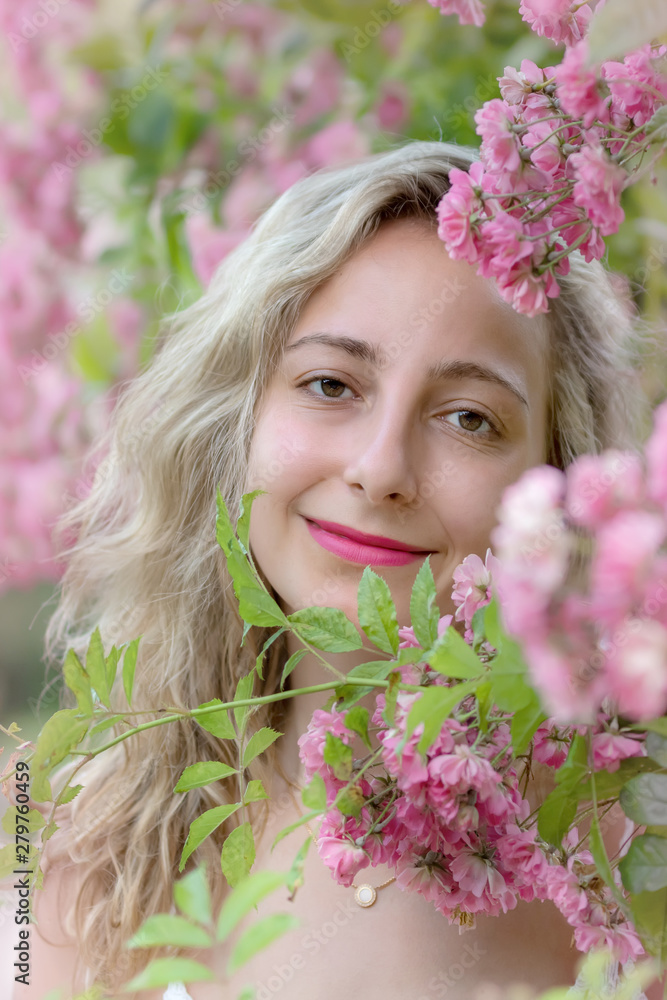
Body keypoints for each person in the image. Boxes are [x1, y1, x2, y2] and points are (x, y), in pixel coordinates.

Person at [14, 139, 653, 1000]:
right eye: (329, 385)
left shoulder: (624, 859)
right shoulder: (65, 847)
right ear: (236, 420)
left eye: (468, 417)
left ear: (558, 473)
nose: (380, 467)